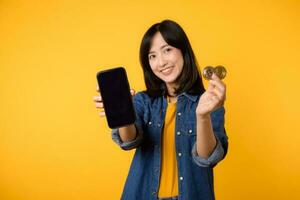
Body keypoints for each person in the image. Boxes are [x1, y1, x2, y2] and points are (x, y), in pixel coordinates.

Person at [94, 19, 228, 200]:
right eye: (152, 56)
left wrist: (202, 116)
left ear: (183, 51)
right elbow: (129, 141)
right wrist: (122, 114)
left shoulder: (208, 102)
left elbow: (207, 158)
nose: (161, 62)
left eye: (167, 50)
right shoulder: (144, 101)